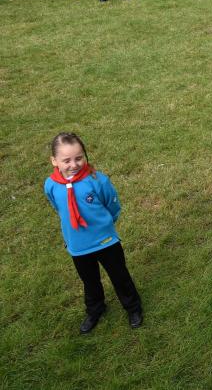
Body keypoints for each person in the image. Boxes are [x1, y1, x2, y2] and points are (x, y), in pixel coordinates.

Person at [43, 132, 144, 334]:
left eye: (79, 158)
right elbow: (58, 207)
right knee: (89, 281)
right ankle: (95, 309)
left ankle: (133, 307)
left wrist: (107, 225)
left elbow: (112, 205)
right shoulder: (51, 185)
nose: (74, 164)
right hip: (78, 246)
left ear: (85, 156)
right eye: (66, 160)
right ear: (54, 161)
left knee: (119, 275)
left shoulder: (97, 181)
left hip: (105, 241)